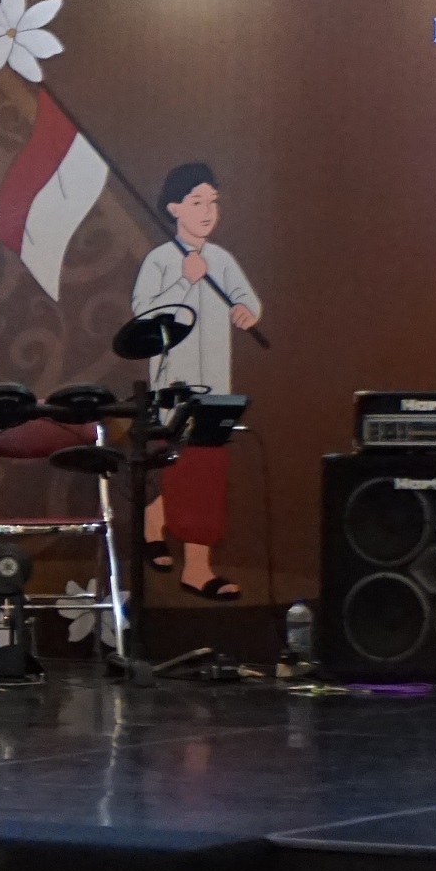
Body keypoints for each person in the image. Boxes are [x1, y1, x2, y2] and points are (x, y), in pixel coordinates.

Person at [128, 163, 263, 601]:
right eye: (196, 202)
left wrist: (247, 310)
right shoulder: (160, 261)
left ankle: (188, 558)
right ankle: (186, 556)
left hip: (215, 385)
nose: (207, 211)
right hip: (175, 387)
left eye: (213, 202)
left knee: (205, 470)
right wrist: (183, 285)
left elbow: (245, 297)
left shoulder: (220, 259)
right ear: (173, 208)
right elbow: (143, 317)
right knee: (182, 467)